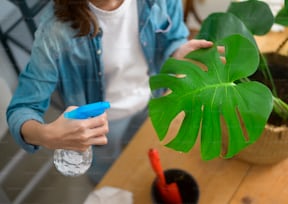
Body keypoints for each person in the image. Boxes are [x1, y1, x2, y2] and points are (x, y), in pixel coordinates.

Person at [6, 0, 216, 184]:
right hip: (103, 126)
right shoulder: (55, 31)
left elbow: (173, 38)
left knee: (139, 162)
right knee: (106, 177)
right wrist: (46, 135)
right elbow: (22, 108)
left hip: (151, 101)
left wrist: (179, 53)